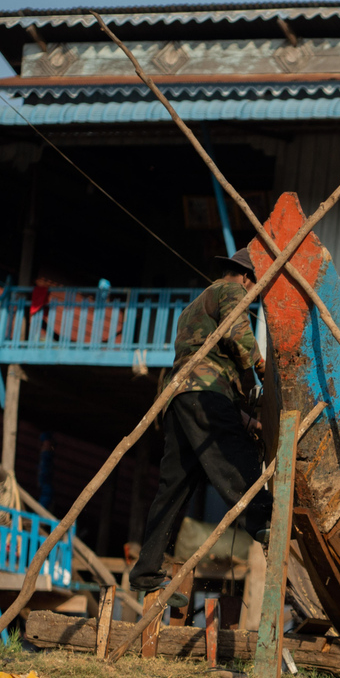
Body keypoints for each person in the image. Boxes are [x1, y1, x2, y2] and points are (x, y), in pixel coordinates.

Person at [129, 247, 272, 596]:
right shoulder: (233, 291)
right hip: (205, 393)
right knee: (234, 458)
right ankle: (265, 521)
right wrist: (264, 372)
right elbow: (239, 337)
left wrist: (249, 418)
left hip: (179, 398)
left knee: (173, 486)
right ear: (249, 278)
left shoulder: (194, 307)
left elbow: (211, 363)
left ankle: (146, 570)